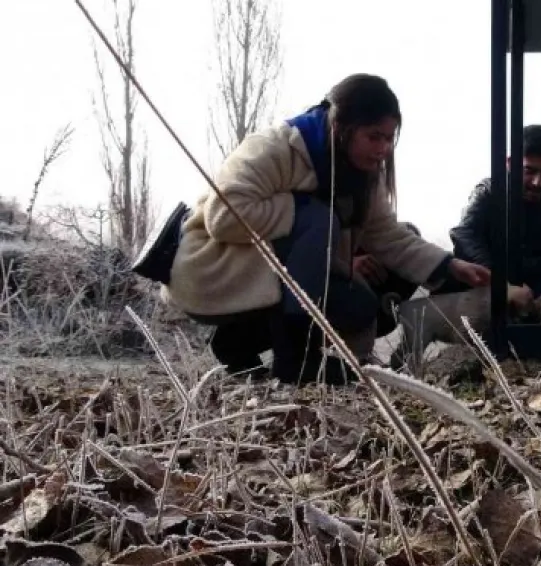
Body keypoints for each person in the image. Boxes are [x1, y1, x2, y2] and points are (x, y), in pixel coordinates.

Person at [130, 73, 490, 385]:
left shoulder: (363, 172)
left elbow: (386, 235)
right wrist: (312, 218)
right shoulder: (273, 147)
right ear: (342, 128)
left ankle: (236, 342)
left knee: (361, 305)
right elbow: (224, 217)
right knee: (317, 218)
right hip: (214, 269)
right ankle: (297, 360)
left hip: (276, 274)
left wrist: (450, 267)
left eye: (389, 138)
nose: (383, 149)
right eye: (374, 136)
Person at [446, 124, 541, 314]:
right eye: (529, 171)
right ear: (510, 163)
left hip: (540, 284)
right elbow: (464, 236)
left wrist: (518, 269)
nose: (537, 182)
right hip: (488, 279)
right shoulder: (489, 192)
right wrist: (499, 281)